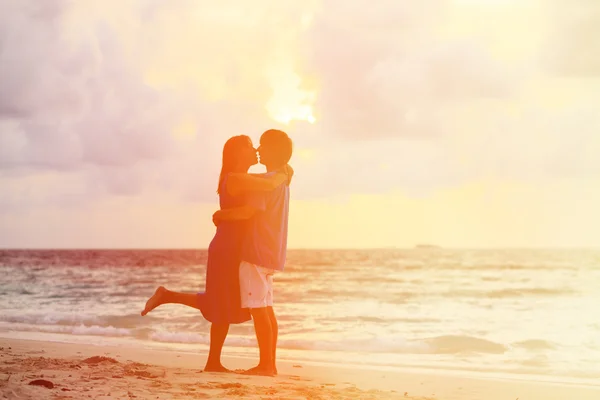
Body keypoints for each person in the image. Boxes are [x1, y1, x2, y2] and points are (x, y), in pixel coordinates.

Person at [140, 134, 292, 373]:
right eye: (250, 146)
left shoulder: (247, 178)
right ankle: (214, 357)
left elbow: (263, 184)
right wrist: (281, 175)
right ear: (237, 153)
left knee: (221, 303)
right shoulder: (235, 179)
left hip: (237, 247)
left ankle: (211, 357)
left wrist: (282, 172)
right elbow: (254, 202)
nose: (255, 150)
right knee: (219, 302)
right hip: (228, 246)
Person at [212, 129, 293, 376]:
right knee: (267, 308)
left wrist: (221, 215)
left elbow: (248, 210)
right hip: (273, 252)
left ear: (273, 151)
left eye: (261, 145)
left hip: (256, 251)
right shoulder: (281, 179)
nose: (258, 149)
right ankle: (271, 363)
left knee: (259, 310)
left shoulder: (265, 183)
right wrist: (286, 170)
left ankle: (265, 365)